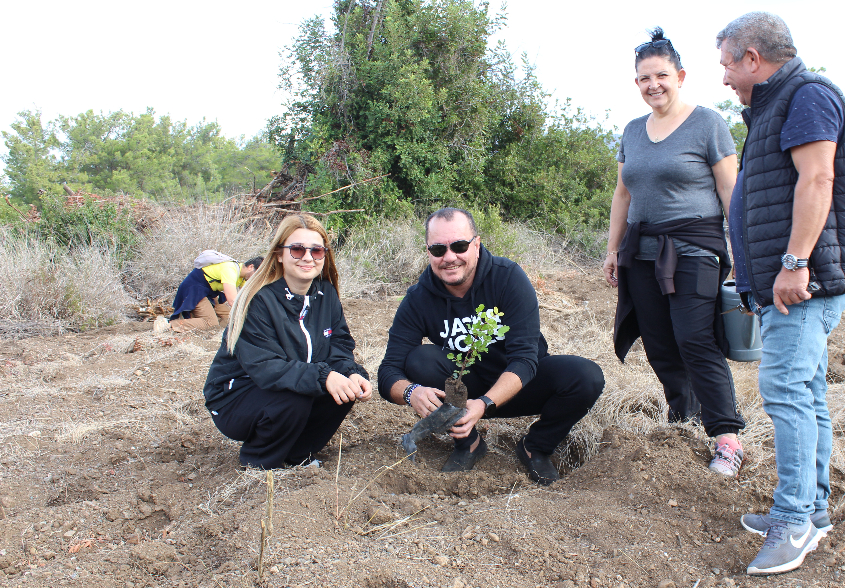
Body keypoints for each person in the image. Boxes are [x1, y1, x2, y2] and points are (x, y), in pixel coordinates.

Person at [716, 12, 845, 575]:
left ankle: (793, 521)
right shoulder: (776, 106)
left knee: (784, 391)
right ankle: (814, 511)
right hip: (791, 280)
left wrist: (793, 263)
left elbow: (817, 179)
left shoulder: (807, 94)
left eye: (728, 64)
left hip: (805, 282)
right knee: (807, 390)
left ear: (753, 58)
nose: (725, 77)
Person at [604, 28, 746, 477]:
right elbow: (623, 194)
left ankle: (727, 437)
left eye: (661, 75)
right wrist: (612, 249)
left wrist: (741, 252)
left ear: (680, 76)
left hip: (696, 248)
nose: (653, 85)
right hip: (642, 251)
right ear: (636, 83)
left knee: (694, 338)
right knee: (661, 344)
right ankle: (683, 418)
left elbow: (731, 190)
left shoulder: (707, 123)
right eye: (644, 78)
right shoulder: (632, 131)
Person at [377, 207, 605, 485]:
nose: (449, 257)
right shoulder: (418, 298)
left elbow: (525, 359)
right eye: (438, 249)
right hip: (463, 390)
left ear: (476, 244)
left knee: (586, 376)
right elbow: (388, 371)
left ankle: (537, 446)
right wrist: (411, 392)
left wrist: (485, 404)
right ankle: (468, 443)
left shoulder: (507, 278)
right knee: (420, 360)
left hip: (519, 385)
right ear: (428, 252)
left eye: (459, 246)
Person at [203, 214, 372, 469]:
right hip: (235, 397)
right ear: (279, 254)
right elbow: (266, 367)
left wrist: (351, 372)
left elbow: (339, 346)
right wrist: (324, 376)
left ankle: (298, 456)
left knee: (341, 390)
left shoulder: (326, 295)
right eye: (297, 249)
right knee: (297, 395)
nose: (307, 257)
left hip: (284, 388)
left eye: (316, 250)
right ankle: (260, 463)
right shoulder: (258, 301)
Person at [169, 253, 263, 332]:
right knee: (211, 323)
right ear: (251, 267)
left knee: (230, 318)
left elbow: (247, 297)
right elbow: (232, 301)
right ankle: (170, 325)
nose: (257, 279)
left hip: (208, 293)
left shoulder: (243, 277)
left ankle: (196, 320)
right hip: (194, 291)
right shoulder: (230, 269)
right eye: (258, 275)